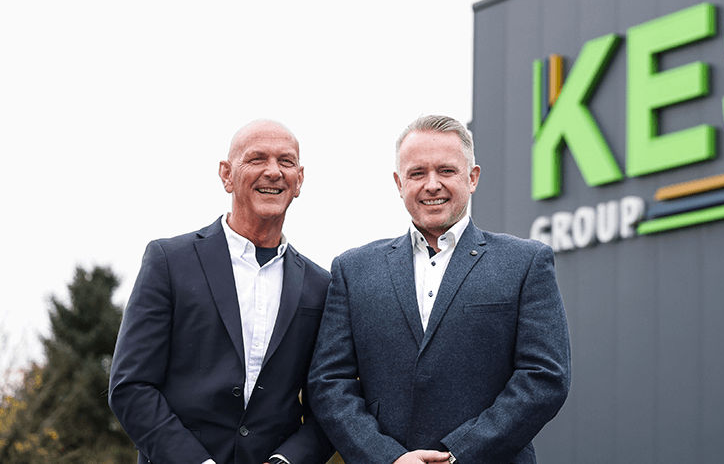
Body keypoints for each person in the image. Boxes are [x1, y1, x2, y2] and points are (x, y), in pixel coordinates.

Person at [308, 115, 571, 464]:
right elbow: (329, 382)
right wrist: (388, 458)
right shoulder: (353, 270)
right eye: (417, 173)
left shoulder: (525, 263)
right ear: (399, 182)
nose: (432, 185)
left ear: (472, 177)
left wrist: (458, 454)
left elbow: (545, 378)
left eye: (446, 171)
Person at [109, 119, 334, 464]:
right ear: (227, 174)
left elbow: (329, 401)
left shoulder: (321, 286)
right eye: (257, 159)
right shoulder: (169, 262)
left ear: (299, 180)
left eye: (286, 162)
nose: (273, 172)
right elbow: (131, 387)